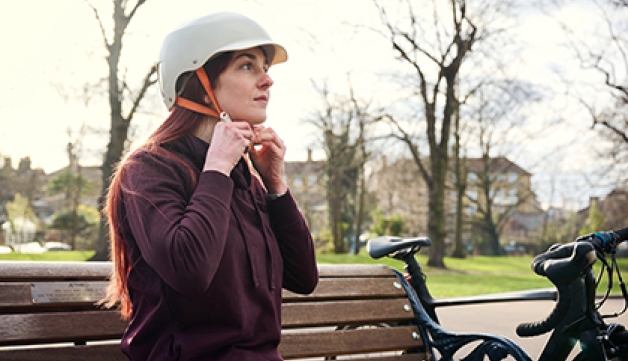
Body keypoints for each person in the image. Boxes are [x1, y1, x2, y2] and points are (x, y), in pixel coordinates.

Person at [101, 12, 319, 361]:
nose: (267, 81)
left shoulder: (244, 175)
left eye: (265, 67)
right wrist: (216, 168)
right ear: (200, 84)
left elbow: (304, 277)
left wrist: (275, 186)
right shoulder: (149, 169)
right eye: (248, 66)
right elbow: (189, 270)